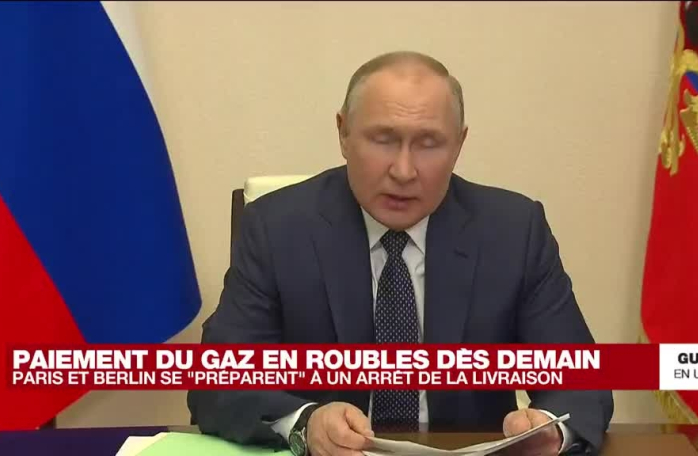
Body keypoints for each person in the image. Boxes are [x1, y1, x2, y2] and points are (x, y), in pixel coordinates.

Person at [188, 51, 613, 456]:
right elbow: (216, 382)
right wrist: (306, 423)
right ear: (343, 133)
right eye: (383, 140)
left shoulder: (514, 231)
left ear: (459, 144)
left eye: (429, 143)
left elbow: (581, 382)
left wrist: (550, 428)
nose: (404, 171)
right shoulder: (276, 228)